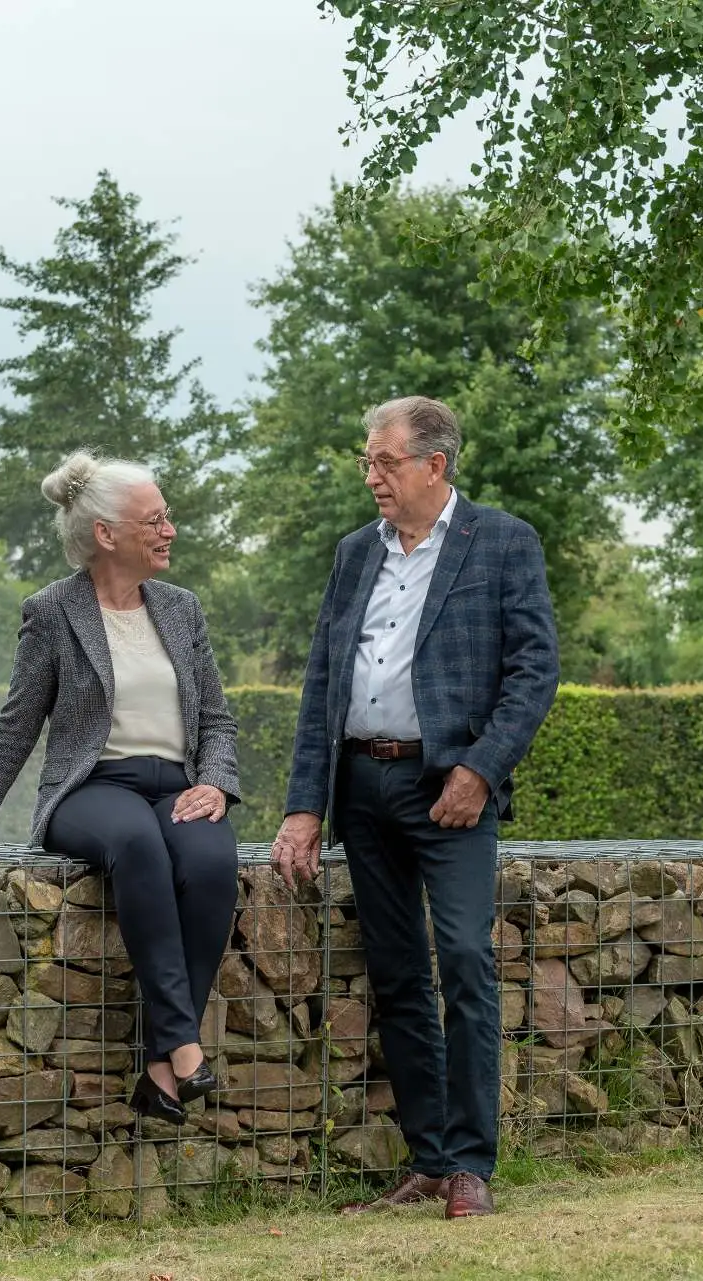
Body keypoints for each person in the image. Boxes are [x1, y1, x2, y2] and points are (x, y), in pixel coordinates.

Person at [271, 396, 559, 1219]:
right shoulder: (354, 552)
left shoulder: (503, 541)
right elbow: (323, 682)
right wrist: (304, 806)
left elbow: (534, 671)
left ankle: (470, 1164)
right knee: (398, 973)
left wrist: (480, 770)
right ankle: (429, 1160)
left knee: (464, 960)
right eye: (368, 461)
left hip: (450, 792)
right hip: (361, 787)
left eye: (385, 461)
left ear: (435, 464)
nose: (372, 476)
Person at [0, 450, 240, 1124]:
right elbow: (16, 726)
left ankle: (161, 1069)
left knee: (211, 861)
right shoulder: (52, 610)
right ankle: (180, 1045)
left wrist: (215, 783)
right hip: (91, 789)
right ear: (106, 533)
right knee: (137, 844)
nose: (169, 530)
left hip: (176, 786)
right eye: (154, 520)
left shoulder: (181, 608)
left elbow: (218, 719)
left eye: (167, 517)